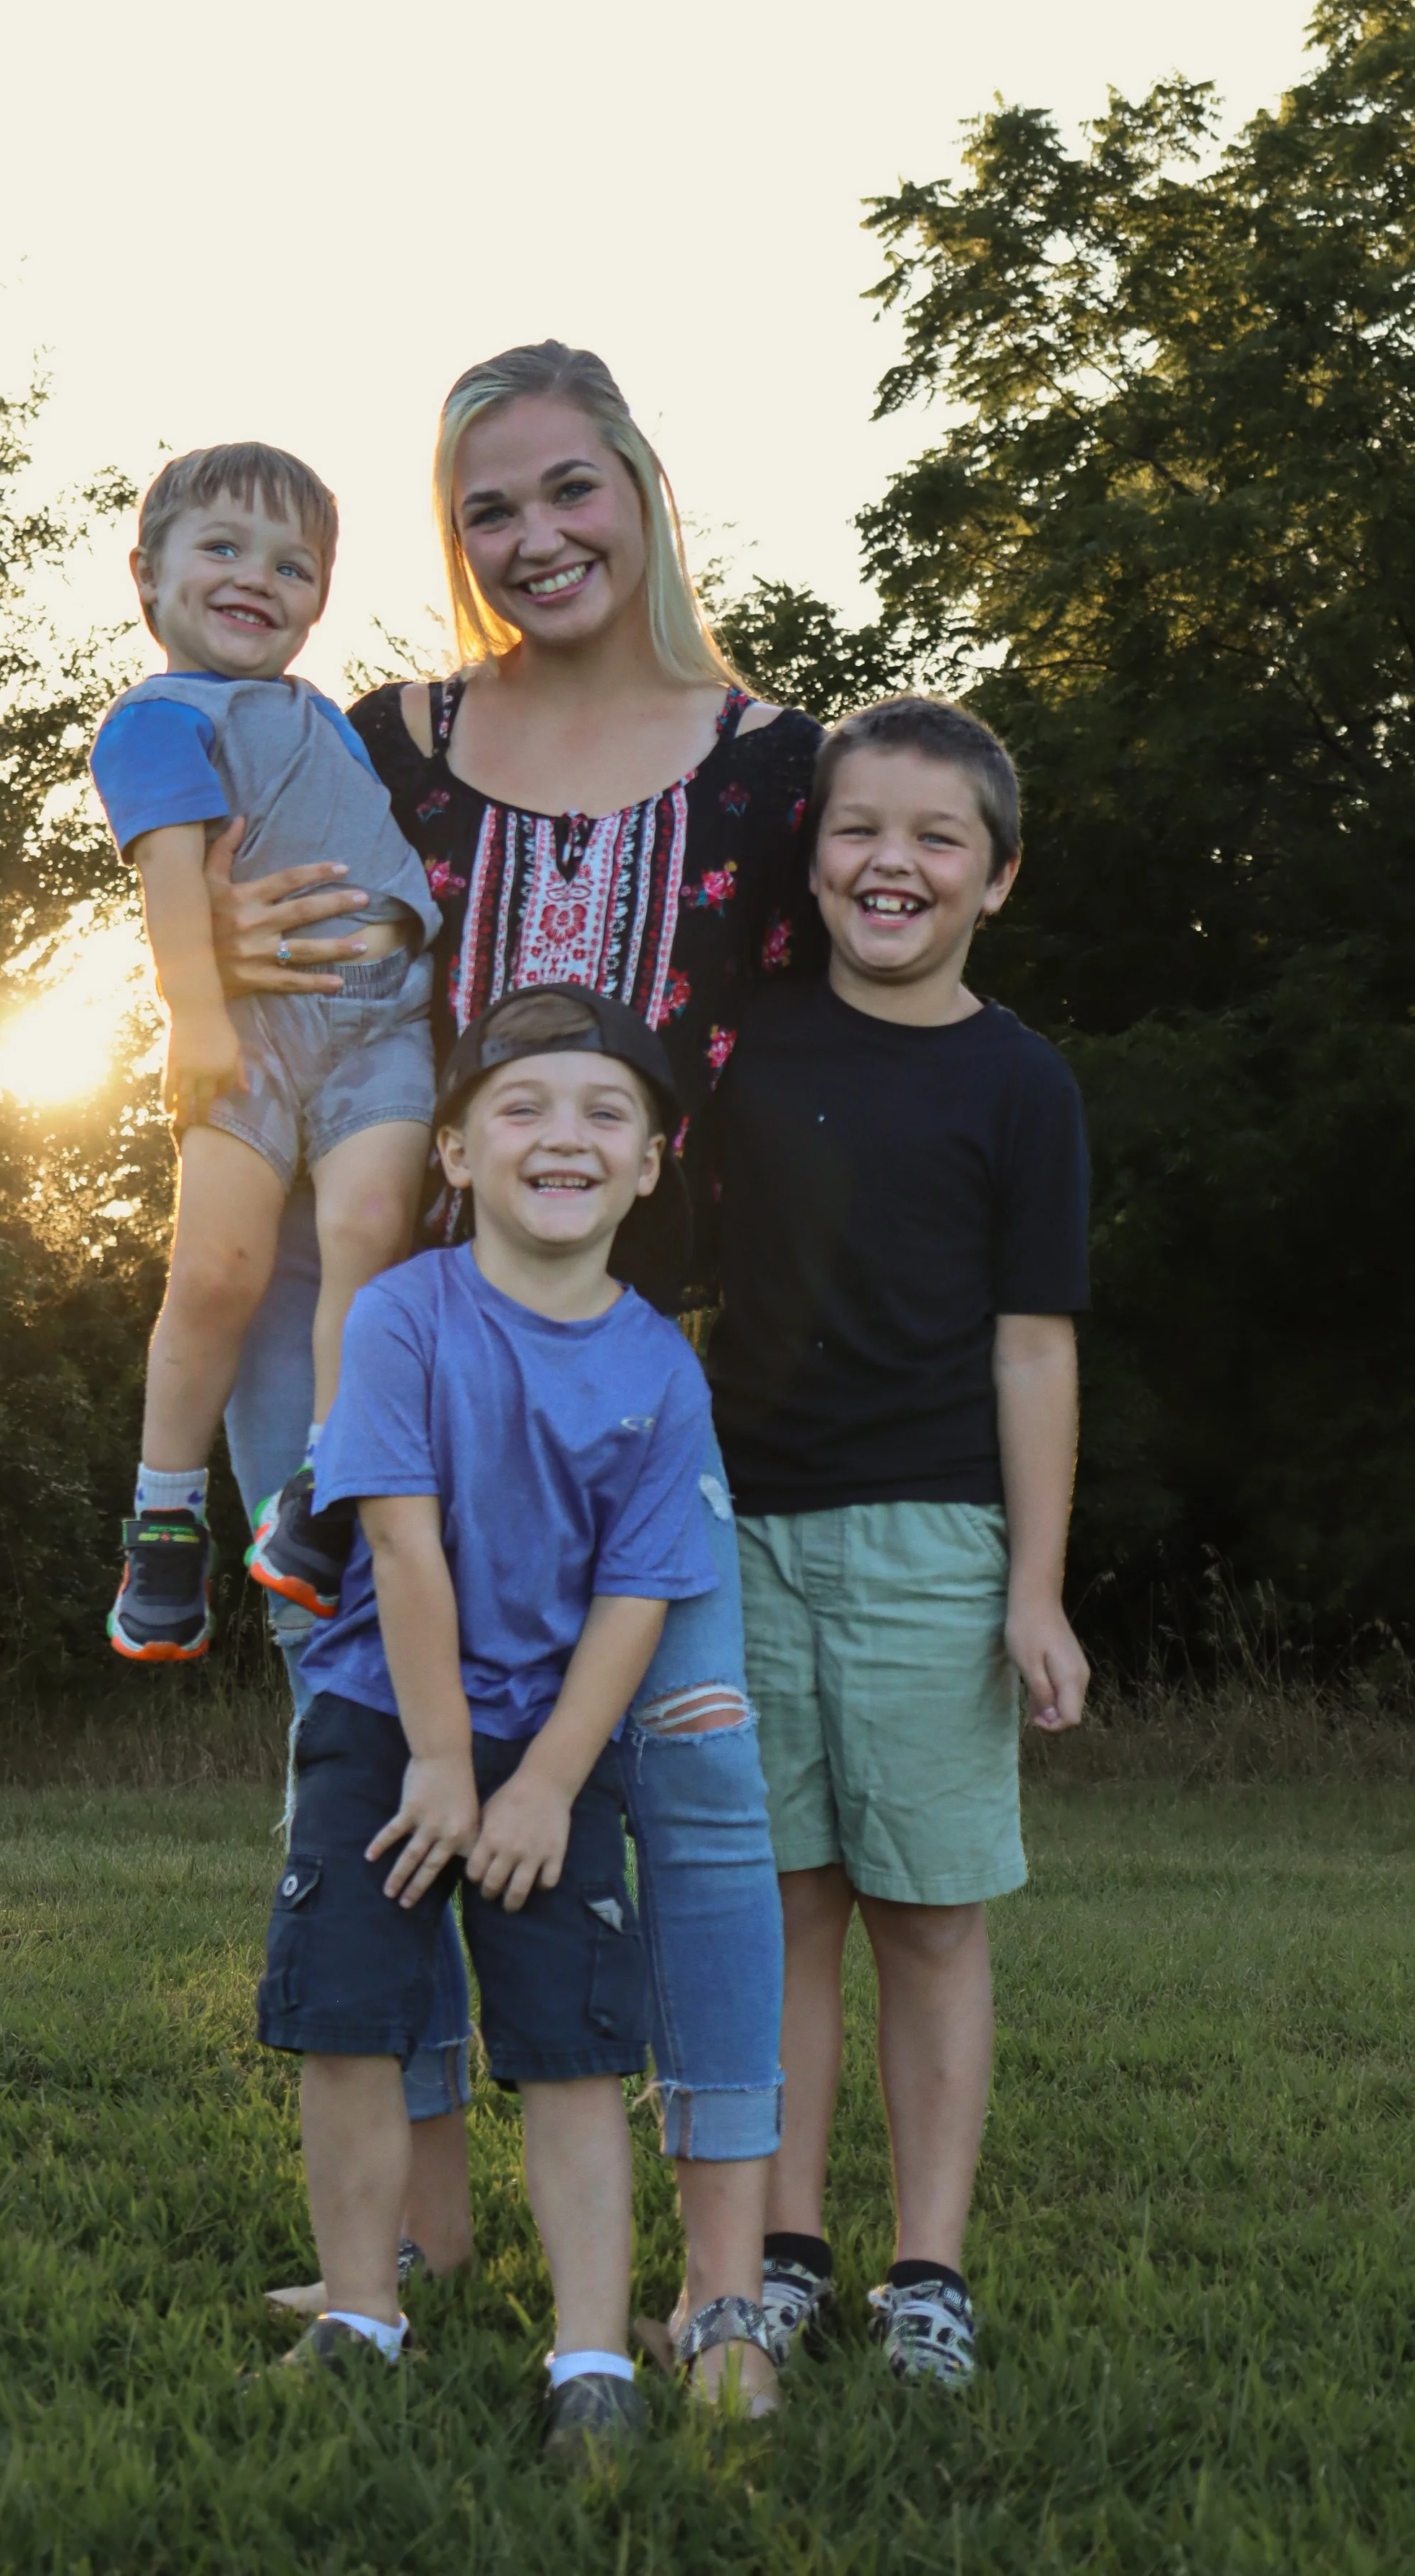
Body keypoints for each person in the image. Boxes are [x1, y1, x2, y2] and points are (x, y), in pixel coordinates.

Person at [209, 343, 823, 2406]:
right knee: (391, 1763)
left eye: (570, 490)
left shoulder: (770, 764)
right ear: (450, 535)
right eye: (486, 508)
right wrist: (218, 958)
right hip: (392, 1336)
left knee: (697, 1799)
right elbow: (244, 930)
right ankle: (414, 2230)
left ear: (641, 488)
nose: (534, 537)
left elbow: (855, 1017)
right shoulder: (384, 741)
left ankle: (719, 2281)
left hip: (652, 1379)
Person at [258, 984, 715, 2460]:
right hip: (379, 1723)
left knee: (575, 2051)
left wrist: (537, 1788)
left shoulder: (661, 1370)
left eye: (603, 1113)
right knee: (349, 2023)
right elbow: (398, 1545)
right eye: (519, 1107)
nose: (560, 1137)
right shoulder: (401, 1316)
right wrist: (443, 1768)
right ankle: (357, 2315)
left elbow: (635, 1603)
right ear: (454, 1150)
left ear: (649, 1162)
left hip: (553, 1751)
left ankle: (591, 2361)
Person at [705, 693, 1092, 2388]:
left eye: (938, 839)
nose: (892, 863)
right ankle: (783, 2255)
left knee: (925, 1916)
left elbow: (1032, 1344)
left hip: (935, 1542)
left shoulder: (1019, 1083)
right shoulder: (747, 1044)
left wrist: (1032, 1589)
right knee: (780, 1907)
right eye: (860, 827)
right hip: (736, 1534)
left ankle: (920, 2272)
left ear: (993, 880)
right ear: (813, 848)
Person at [89, 443, 439, 1662]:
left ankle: (321, 1497)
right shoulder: (155, 719)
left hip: (386, 1022)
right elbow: (175, 875)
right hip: (252, 1031)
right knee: (221, 1273)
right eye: (223, 549)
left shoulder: (330, 717)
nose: (258, 579)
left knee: (368, 1243)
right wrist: (194, 1011)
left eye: (293, 565)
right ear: (149, 575)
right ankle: (167, 1517)